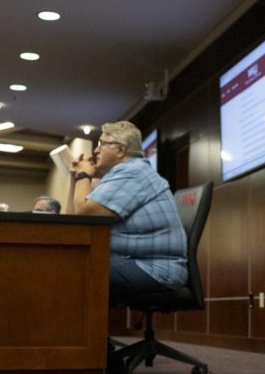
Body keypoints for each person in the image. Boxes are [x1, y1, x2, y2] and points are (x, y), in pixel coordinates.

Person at [69, 121, 187, 302]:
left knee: (70, 269)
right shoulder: (121, 175)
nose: (95, 150)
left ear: (120, 150)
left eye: (102, 144)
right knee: (69, 263)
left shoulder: (133, 173)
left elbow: (85, 214)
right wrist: (76, 178)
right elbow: (75, 219)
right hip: (135, 261)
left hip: (155, 269)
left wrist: (83, 175)